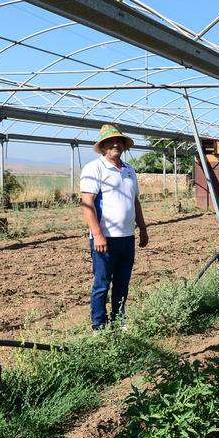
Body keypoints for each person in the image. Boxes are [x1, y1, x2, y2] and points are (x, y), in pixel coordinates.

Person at [80, 124, 148, 331]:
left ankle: (118, 320)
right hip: (105, 238)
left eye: (118, 141)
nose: (115, 144)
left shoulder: (129, 170)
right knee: (101, 284)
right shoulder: (94, 168)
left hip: (127, 237)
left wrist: (142, 228)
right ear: (102, 147)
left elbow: (134, 201)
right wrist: (98, 234)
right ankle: (98, 326)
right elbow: (87, 203)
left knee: (122, 282)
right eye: (110, 142)